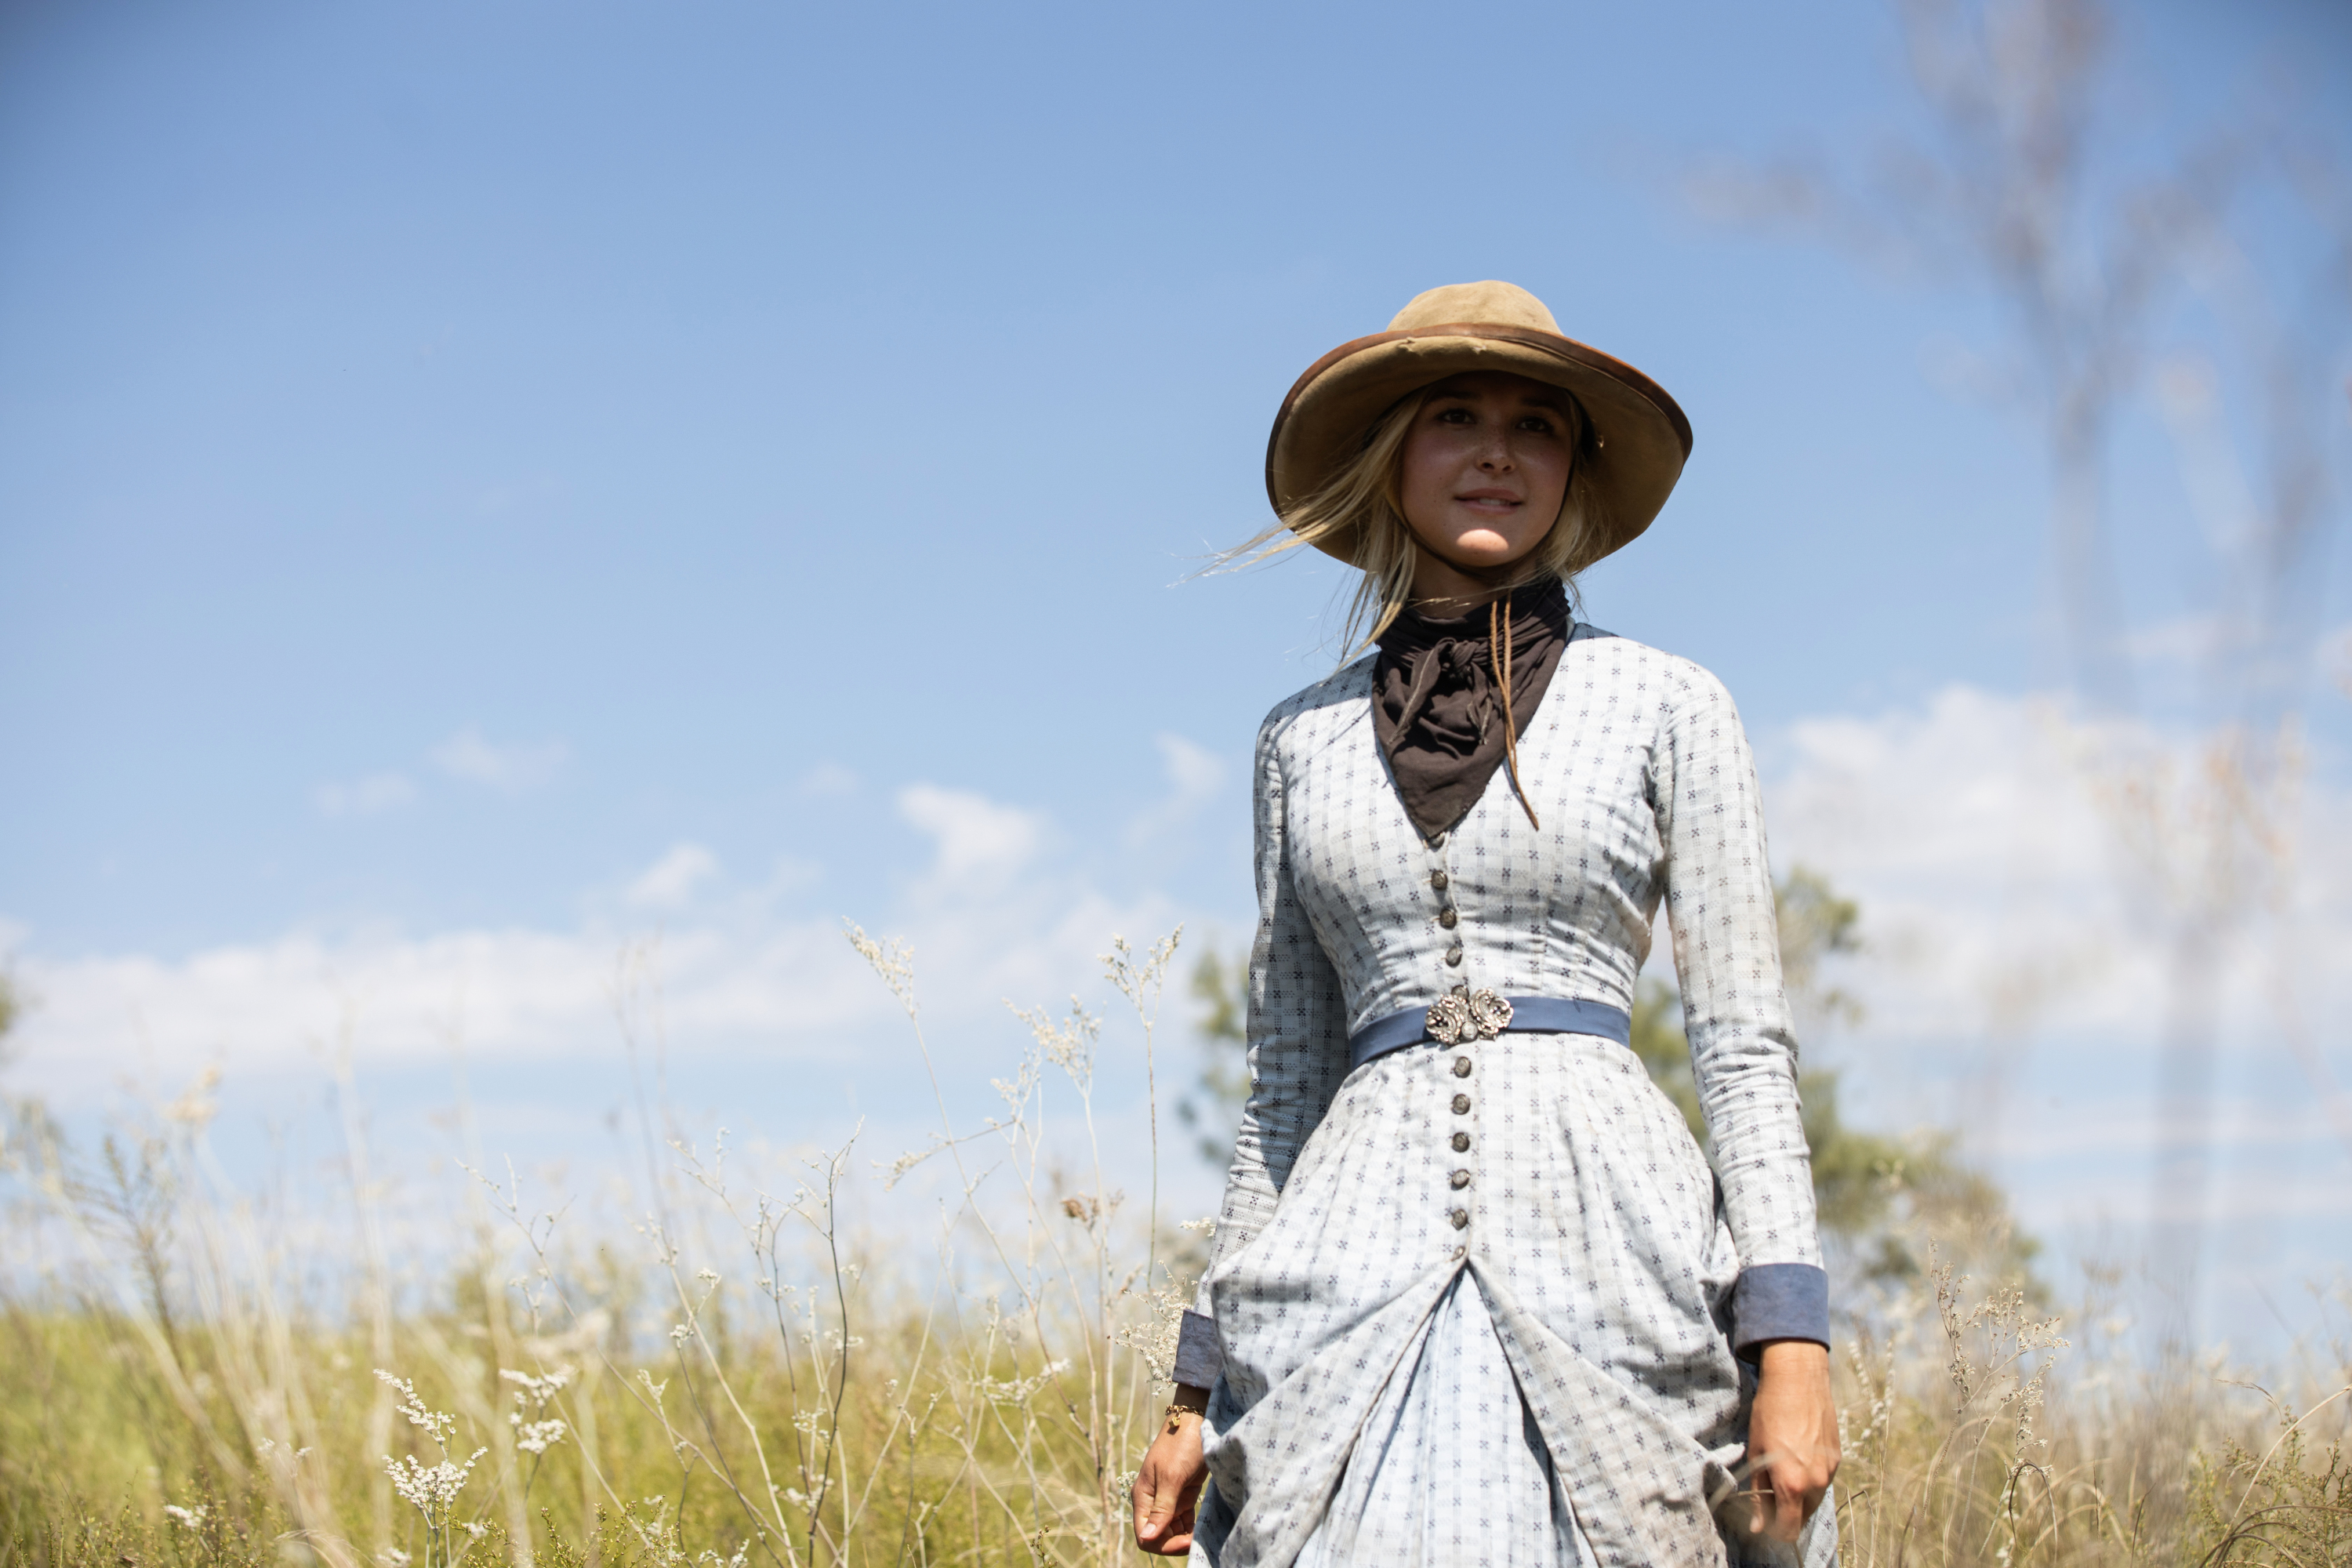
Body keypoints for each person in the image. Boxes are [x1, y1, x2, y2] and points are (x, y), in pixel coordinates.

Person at [1130, 281, 1841, 1566]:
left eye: (1538, 424)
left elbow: (1744, 1048)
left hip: (1614, 1244)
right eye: (1455, 414)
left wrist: (1792, 1340)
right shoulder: (1297, 740)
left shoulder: (1668, 703)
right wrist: (1193, 1389)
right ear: (1391, 455)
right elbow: (1282, 1088)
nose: (1498, 451)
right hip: (1346, 1270)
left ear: (1572, 470)